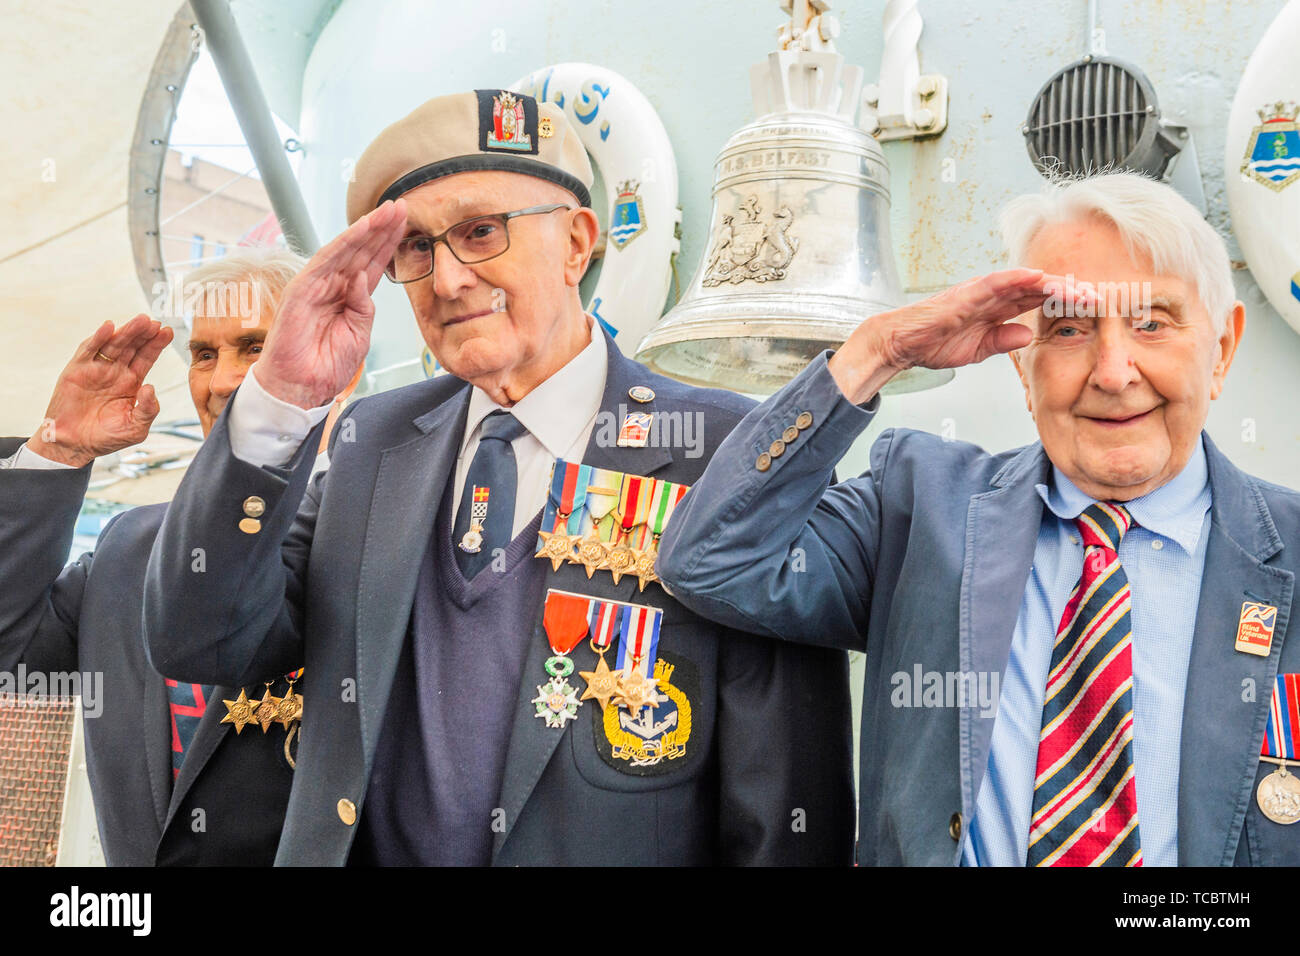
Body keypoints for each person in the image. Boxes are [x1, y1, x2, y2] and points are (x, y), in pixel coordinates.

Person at [142, 89, 854, 866]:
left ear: (578, 243)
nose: (447, 280)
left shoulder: (722, 451)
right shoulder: (369, 441)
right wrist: (278, 403)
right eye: (416, 248)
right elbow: (201, 641)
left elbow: (785, 810)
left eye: (481, 233)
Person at [657, 171, 1300, 867]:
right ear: (1023, 369)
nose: (1114, 372)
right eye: (1069, 329)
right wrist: (878, 352)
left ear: (1222, 350)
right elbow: (709, 558)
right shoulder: (921, 506)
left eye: (1152, 322)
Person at [0, 247, 308, 865]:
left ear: (339, 364)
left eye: (255, 347)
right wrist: (56, 450)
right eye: (204, 355)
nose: (223, 381)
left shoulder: (381, 531)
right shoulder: (129, 550)